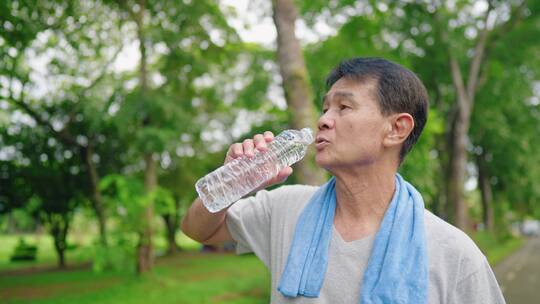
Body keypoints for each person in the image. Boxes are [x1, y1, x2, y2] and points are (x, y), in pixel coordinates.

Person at [181, 58, 506, 303]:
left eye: (344, 107)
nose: (323, 120)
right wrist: (230, 182)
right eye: (324, 108)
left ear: (397, 128)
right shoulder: (284, 207)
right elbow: (198, 230)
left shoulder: (454, 253)